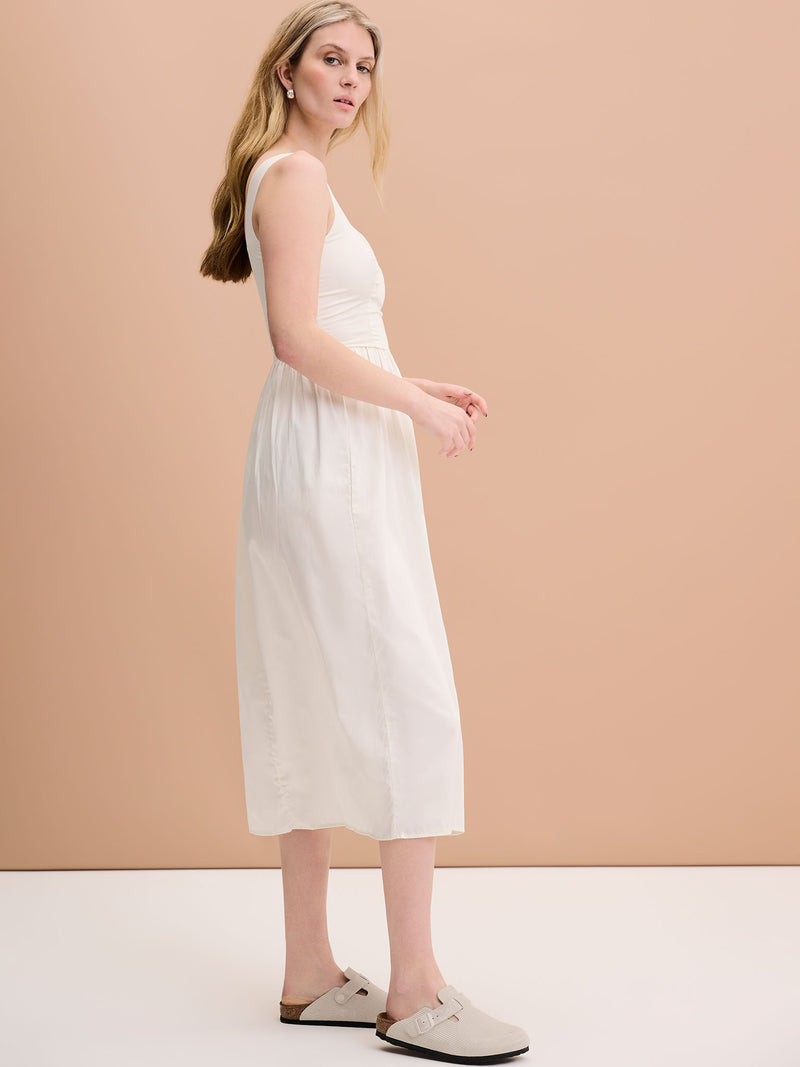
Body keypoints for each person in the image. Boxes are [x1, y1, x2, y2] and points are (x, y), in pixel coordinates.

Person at [200, 2, 529, 1061]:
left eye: (365, 66)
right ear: (287, 70)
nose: (350, 79)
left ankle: (308, 972)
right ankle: (416, 991)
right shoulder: (295, 176)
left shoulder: (286, 175)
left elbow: (330, 334)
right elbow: (295, 338)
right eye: (331, 59)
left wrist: (413, 380)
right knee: (404, 696)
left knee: (311, 690)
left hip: (318, 447)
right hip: (331, 457)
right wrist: (417, 407)